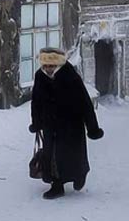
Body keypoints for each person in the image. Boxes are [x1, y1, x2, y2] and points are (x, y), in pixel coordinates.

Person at [29, 47, 104, 199]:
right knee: (52, 156)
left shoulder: (70, 75)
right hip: (50, 124)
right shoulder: (40, 76)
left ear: (58, 64)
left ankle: (80, 174)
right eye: (45, 66)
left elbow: (85, 102)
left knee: (72, 154)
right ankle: (57, 186)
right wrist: (36, 122)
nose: (48, 69)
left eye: (51, 66)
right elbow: (36, 101)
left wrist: (92, 128)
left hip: (71, 123)